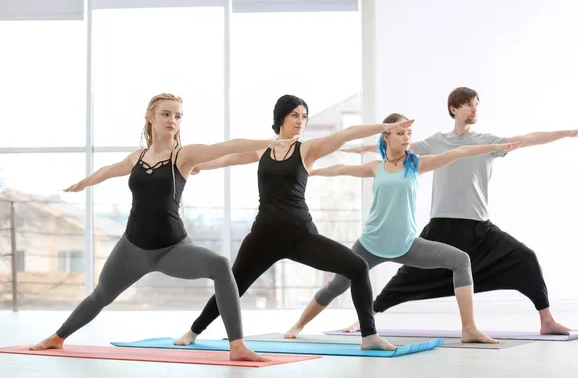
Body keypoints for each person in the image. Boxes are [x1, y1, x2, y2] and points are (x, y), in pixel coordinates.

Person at [29, 93, 298, 362]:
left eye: (178, 116)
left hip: (173, 249)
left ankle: (237, 346)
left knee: (219, 264)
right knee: (100, 295)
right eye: (166, 114)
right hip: (131, 248)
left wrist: (270, 142)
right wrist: (84, 182)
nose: (172, 120)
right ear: (151, 117)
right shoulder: (138, 157)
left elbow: (227, 146)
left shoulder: (184, 155)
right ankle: (57, 337)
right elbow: (109, 169)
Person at [340, 87, 578, 334]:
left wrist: (567, 132)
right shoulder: (437, 142)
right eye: (468, 104)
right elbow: (396, 148)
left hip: (478, 226)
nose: (474, 109)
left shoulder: (487, 142)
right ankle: (365, 318)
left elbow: (528, 139)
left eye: (476, 104)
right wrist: (363, 148)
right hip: (442, 224)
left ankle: (547, 320)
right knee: (407, 276)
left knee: (525, 258)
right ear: (453, 109)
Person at [175, 94, 413, 351]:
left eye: (304, 117)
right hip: (263, 237)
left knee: (357, 267)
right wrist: (198, 164)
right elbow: (227, 158)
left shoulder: (307, 149)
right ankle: (193, 330)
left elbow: (347, 133)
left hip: (301, 236)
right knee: (233, 284)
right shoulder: (263, 148)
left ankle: (369, 335)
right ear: (281, 118)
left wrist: (384, 127)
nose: (301, 121)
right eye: (295, 115)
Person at [284, 113, 523, 343]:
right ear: (386, 136)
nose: (407, 137)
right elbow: (338, 170)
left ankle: (469, 329)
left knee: (461, 260)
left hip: (406, 245)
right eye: (401, 133)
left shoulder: (417, 164)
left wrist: (495, 147)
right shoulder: (375, 167)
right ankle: (298, 325)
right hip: (370, 244)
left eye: (409, 133)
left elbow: (460, 152)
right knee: (336, 285)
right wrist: (308, 171)